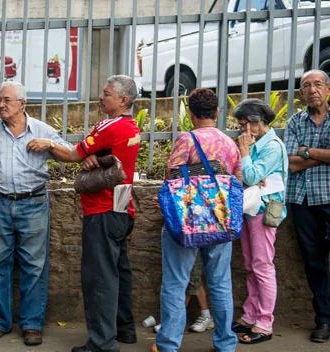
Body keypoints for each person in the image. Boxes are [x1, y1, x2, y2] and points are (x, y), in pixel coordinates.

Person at [28, 74, 142, 352]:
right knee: (119, 271)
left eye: (106, 93)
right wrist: (94, 157)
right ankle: (124, 329)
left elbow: (72, 155)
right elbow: (103, 156)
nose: (100, 97)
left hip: (101, 209)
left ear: (123, 100)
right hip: (122, 205)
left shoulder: (110, 126)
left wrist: (49, 144)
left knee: (99, 277)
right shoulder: (131, 126)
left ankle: (102, 343)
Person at [0, 81, 73, 346]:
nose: (1, 105)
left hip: (33, 203)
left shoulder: (41, 130)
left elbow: (71, 155)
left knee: (34, 265)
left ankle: (31, 324)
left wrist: (49, 143)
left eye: (6, 100)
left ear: (22, 104)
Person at [154, 88, 241, 352]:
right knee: (221, 283)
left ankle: (168, 344)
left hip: (187, 222)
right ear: (217, 112)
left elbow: (172, 177)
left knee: (175, 283)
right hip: (220, 221)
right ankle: (226, 344)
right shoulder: (230, 143)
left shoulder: (187, 139)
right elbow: (236, 181)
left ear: (190, 114)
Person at [231, 98, 288, 344]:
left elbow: (251, 174)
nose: (242, 130)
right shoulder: (256, 143)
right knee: (251, 264)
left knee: (263, 266)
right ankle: (250, 315)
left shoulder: (272, 146)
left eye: (244, 124)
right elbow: (242, 175)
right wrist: (248, 167)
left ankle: (264, 323)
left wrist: (245, 154)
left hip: (263, 212)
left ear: (257, 122)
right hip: (250, 209)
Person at [284, 69, 330, 344]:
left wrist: (307, 151)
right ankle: (323, 319)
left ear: (327, 89)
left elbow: (299, 156)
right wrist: (324, 155)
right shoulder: (295, 122)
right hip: (302, 200)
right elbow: (290, 163)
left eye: (317, 85)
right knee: (313, 262)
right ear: (301, 93)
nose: (312, 90)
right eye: (306, 86)